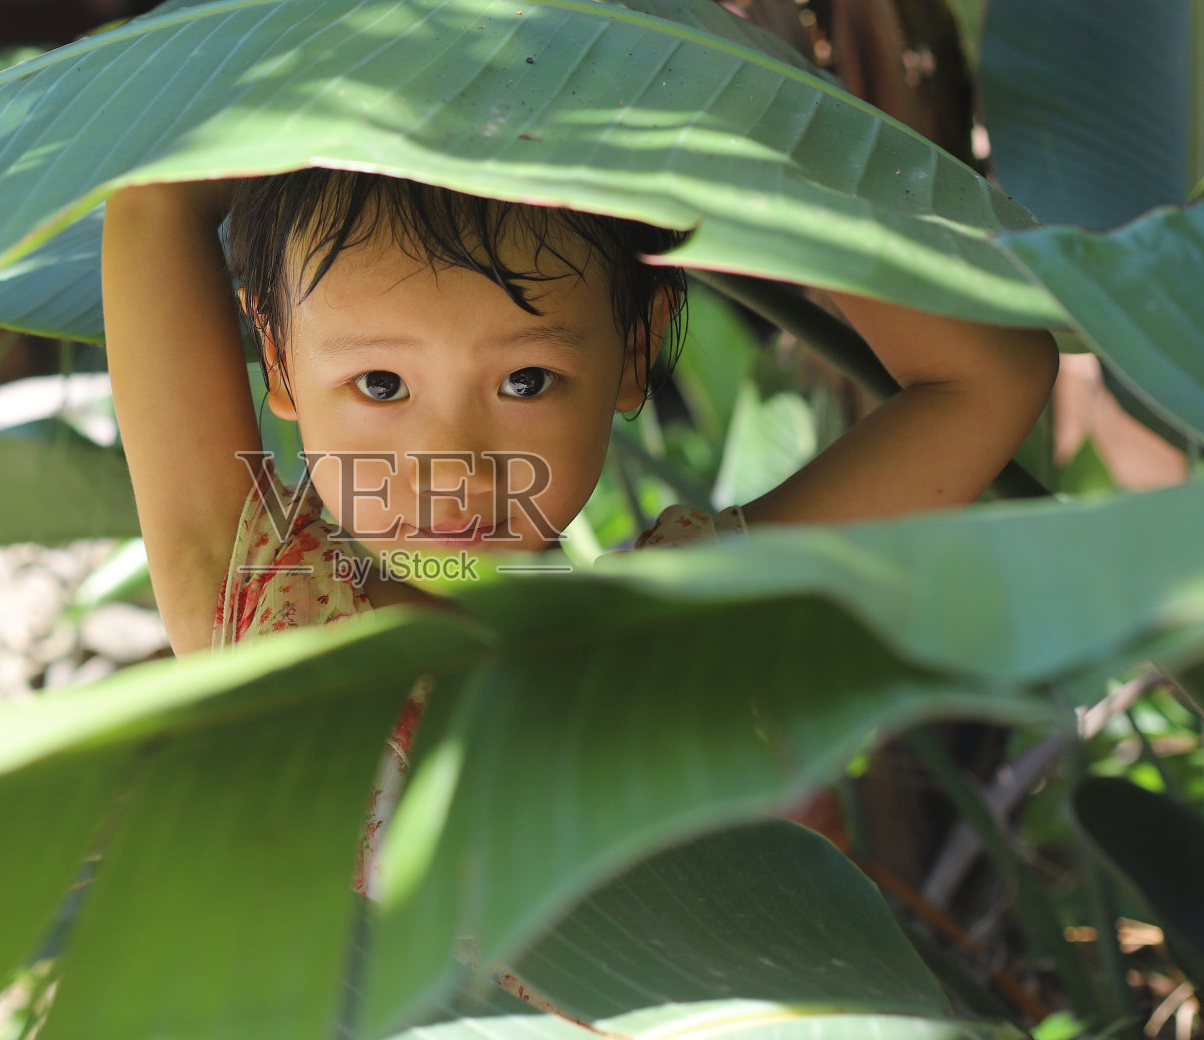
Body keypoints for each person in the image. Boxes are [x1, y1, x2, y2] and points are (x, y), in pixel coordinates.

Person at [100, 168, 1058, 900]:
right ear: (279, 363)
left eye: (526, 381)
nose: (457, 469)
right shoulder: (266, 625)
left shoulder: (695, 625)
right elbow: (153, 198)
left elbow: (991, 378)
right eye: (383, 386)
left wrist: (724, 156)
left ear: (633, 353)